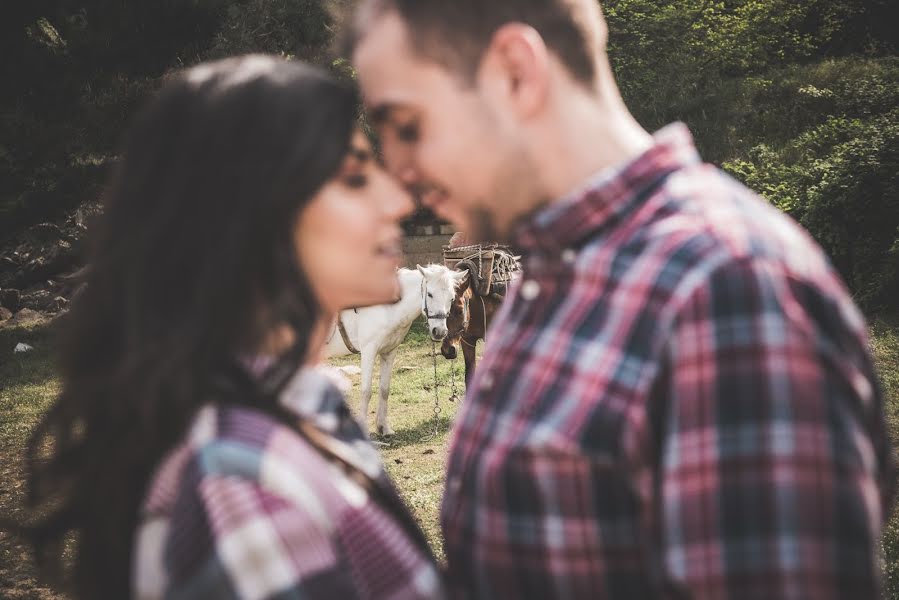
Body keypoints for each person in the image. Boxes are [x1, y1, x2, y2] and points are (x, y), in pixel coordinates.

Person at [342, 1, 896, 598]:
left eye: (406, 126)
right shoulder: (553, 273)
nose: (399, 178)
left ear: (515, 72)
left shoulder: (727, 293)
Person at [15, 55, 444, 599]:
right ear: (258, 217)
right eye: (355, 177)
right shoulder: (243, 490)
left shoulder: (288, 406)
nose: (399, 200)